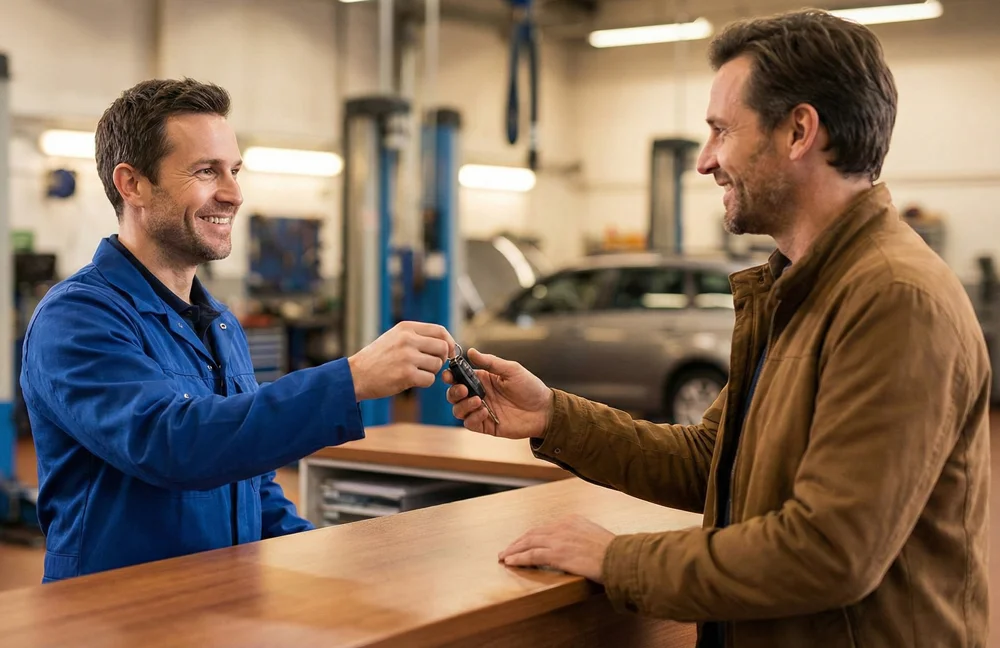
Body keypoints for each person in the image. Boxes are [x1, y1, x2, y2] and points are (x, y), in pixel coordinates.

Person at [446, 10, 989, 648]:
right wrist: (553, 417)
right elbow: (717, 462)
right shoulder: (801, 288)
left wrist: (617, 558)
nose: (705, 162)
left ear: (798, 131)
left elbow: (830, 551)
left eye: (721, 130)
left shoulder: (892, 299)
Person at [20, 78, 455, 583]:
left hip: (223, 605)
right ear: (132, 184)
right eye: (206, 171)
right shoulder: (77, 319)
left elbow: (249, 480)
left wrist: (330, 557)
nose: (233, 194)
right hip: (115, 616)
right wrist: (351, 378)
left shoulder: (219, 323)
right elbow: (172, 445)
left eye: (234, 170)